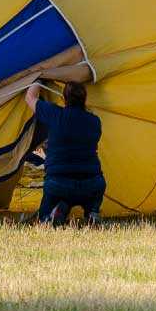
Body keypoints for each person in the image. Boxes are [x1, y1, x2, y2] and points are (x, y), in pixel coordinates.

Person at [24, 78, 104, 226]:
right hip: (92, 184)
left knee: (44, 218)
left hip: (59, 183)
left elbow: (30, 97)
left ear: (63, 98)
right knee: (93, 190)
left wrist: (38, 77)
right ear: (85, 99)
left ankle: (51, 214)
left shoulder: (55, 114)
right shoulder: (94, 122)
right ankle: (92, 212)